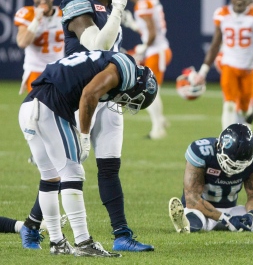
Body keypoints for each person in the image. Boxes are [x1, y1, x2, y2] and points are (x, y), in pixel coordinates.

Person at [20, 0, 155, 252]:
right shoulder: (77, 1)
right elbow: (99, 45)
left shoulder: (107, 7)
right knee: (67, 167)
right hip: (79, 93)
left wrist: (116, 9)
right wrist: (118, 7)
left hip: (108, 90)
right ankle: (33, 225)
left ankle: (121, 233)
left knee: (109, 166)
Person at [18, 50, 158, 256]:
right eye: (132, 99)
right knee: (72, 173)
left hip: (31, 104)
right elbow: (89, 94)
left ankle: (57, 243)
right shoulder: (126, 68)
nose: (125, 103)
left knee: (50, 177)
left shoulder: (106, 61)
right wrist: (84, 136)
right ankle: (84, 243)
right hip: (50, 104)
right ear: (138, 85)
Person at [168, 123, 253, 233]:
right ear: (220, 148)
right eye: (231, 163)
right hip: (200, 210)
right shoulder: (201, 151)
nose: (235, 170)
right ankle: (186, 223)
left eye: (240, 165)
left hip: (231, 211)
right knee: (195, 222)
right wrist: (225, 220)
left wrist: (251, 215)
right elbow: (192, 199)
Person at [192, 0, 253, 129]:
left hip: (249, 68)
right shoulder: (223, 15)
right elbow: (215, 44)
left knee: (245, 109)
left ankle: (246, 133)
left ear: (248, 1)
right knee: (229, 105)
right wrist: (203, 71)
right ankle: (225, 140)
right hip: (230, 65)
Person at [122, 0, 172, 139]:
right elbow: (148, 28)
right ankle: (160, 121)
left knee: (151, 90)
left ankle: (158, 128)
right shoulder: (152, 2)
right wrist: (132, 24)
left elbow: (151, 32)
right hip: (156, 50)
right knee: (148, 88)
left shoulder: (142, 5)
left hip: (156, 51)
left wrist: (144, 46)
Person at [14, 0, 65, 95]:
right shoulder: (28, 14)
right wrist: (36, 21)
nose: (42, 1)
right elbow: (22, 43)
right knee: (39, 106)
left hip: (58, 69)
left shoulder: (63, 15)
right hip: (35, 70)